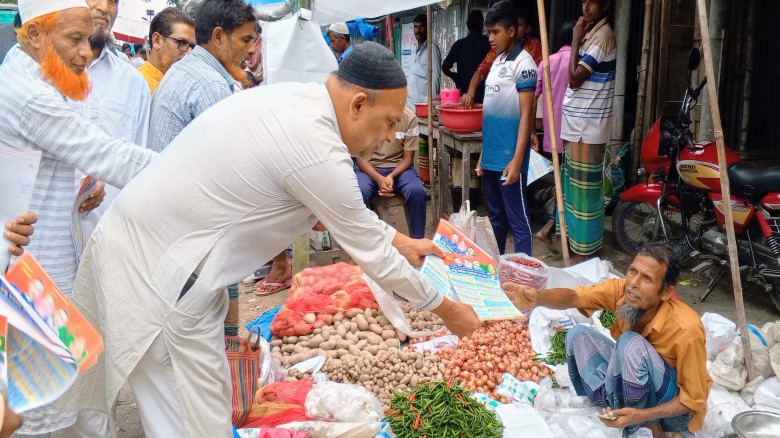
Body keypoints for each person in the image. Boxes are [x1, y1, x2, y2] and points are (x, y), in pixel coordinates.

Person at [60, 41, 481, 437]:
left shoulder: (297, 101)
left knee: (198, 407)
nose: (391, 135)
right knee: (191, 419)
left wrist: (405, 243)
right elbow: (369, 249)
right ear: (357, 104)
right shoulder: (319, 148)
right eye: (389, 122)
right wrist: (448, 311)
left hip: (166, 260)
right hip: (161, 276)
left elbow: (356, 225)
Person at [0, 1, 156, 436]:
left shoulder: (30, 76)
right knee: (38, 412)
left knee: (61, 395)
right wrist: (196, 167)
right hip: (32, 273)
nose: (87, 52)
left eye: (88, 39)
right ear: (35, 34)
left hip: (43, 264)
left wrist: (79, 185)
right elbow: (107, 154)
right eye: (75, 39)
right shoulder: (26, 94)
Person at [504, 243, 711, 437]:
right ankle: (612, 412)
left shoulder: (687, 330)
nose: (633, 284)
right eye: (632, 271)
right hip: (635, 389)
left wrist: (643, 416)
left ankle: (645, 427)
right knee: (578, 335)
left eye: (647, 279)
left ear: (666, 292)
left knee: (630, 343)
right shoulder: (621, 291)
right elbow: (575, 297)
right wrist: (537, 297)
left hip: (671, 414)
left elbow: (692, 402)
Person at [69, 0, 152, 244]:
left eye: (114, 1)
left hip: (108, 239)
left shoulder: (133, 84)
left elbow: (138, 168)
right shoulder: (40, 74)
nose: (106, 8)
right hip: (45, 239)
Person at [477, 1, 536, 256]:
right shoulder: (498, 60)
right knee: (496, 219)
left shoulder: (525, 65)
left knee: (518, 221)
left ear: (511, 31)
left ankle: (525, 279)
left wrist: (517, 159)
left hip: (509, 158)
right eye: (489, 32)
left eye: (495, 32)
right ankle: (498, 270)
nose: (491, 38)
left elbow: (526, 116)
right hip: (491, 156)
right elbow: (490, 114)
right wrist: (482, 154)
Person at [560, 0, 616, 260]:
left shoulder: (602, 36)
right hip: (577, 124)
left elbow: (573, 79)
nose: (586, 6)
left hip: (588, 126)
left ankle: (585, 251)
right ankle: (575, 245)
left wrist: (574, 38)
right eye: (584, 0)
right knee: (573, 189)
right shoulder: (590, 33)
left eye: (593, 2)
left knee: (586, 193)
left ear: (605, 6)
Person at [532, 19, 575, 251]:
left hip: (552, 135)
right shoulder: (578, 62)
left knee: (563, 182)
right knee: (569, 186)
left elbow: (533, 98)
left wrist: (532, 131)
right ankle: (551, 227)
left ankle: (554, 227)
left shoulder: (546, 63)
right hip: (576, 135)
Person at [356, 107, 427, 238]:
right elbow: (360, 160)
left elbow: (407, 159)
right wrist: (379, 179)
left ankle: (418, 242)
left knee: (417, 191)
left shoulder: (410, 117)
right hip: (369, 170)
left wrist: (390, 176)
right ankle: (366, 243)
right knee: (359, 192)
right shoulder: (364, 116)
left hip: (399, 170)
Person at [462, 5, 541, 109]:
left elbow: (539, 78)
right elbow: (480, 71)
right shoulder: (498, 51)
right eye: (490, 33)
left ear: (527, 28)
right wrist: (471, 92)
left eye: (519, 25)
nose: (490, 39)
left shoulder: (532, 47)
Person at [138, 7, 195, 94]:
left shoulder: (181, 87)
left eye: (192, 46)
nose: (189, 52)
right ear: (157, 40)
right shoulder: (137, 84)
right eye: (182, 43)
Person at [442, 10, 490, 103]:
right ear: (481, 25)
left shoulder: (459, 45)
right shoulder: (488, 43)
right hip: (485, 97)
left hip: (465, 97)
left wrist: (455, 77)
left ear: (467, 25)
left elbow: (445, 67)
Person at [405, 13, 441, 110]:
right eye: (416, 27)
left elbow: (435, 80)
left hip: (422, 109)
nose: (418, 30)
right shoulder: (414, 49)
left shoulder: (432, 49)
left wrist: (428, 105)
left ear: (427, 28)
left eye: (421, 27)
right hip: (409, 106)